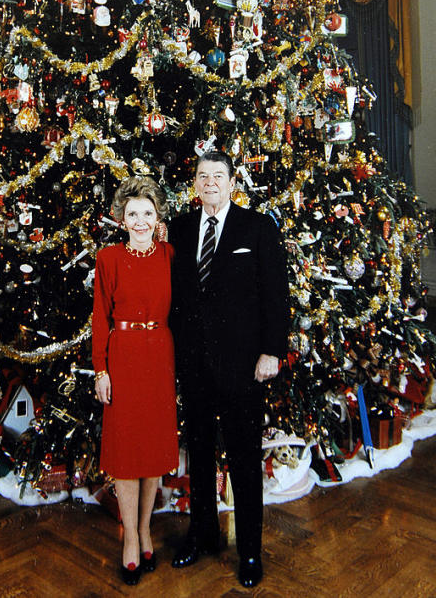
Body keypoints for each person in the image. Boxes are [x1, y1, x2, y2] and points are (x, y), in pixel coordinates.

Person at [169, 150, 290, 589]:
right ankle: (201, 535)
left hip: (243, 368)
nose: (210, 182)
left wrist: (271, 351)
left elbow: (276, 295)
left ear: (232, 181)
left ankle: (251, 553)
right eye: (203, 175)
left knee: (243, 460)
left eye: (218, 175)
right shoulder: (180, 230)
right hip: (195, 366)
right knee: (198, 455)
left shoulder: (256, 227)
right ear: (195, 183)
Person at [92, 176, 178, 586]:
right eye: (133, 213)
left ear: (157, 216)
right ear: (121, 217)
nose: (140, 220)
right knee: (127, 448)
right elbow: (99, 319)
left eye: (147, 212)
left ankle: (145, 528)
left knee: (154, 447)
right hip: (123, 355)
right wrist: (101, 370)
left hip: (160, 354)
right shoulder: (107, 258)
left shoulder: (170, 255)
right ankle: (129, 538)